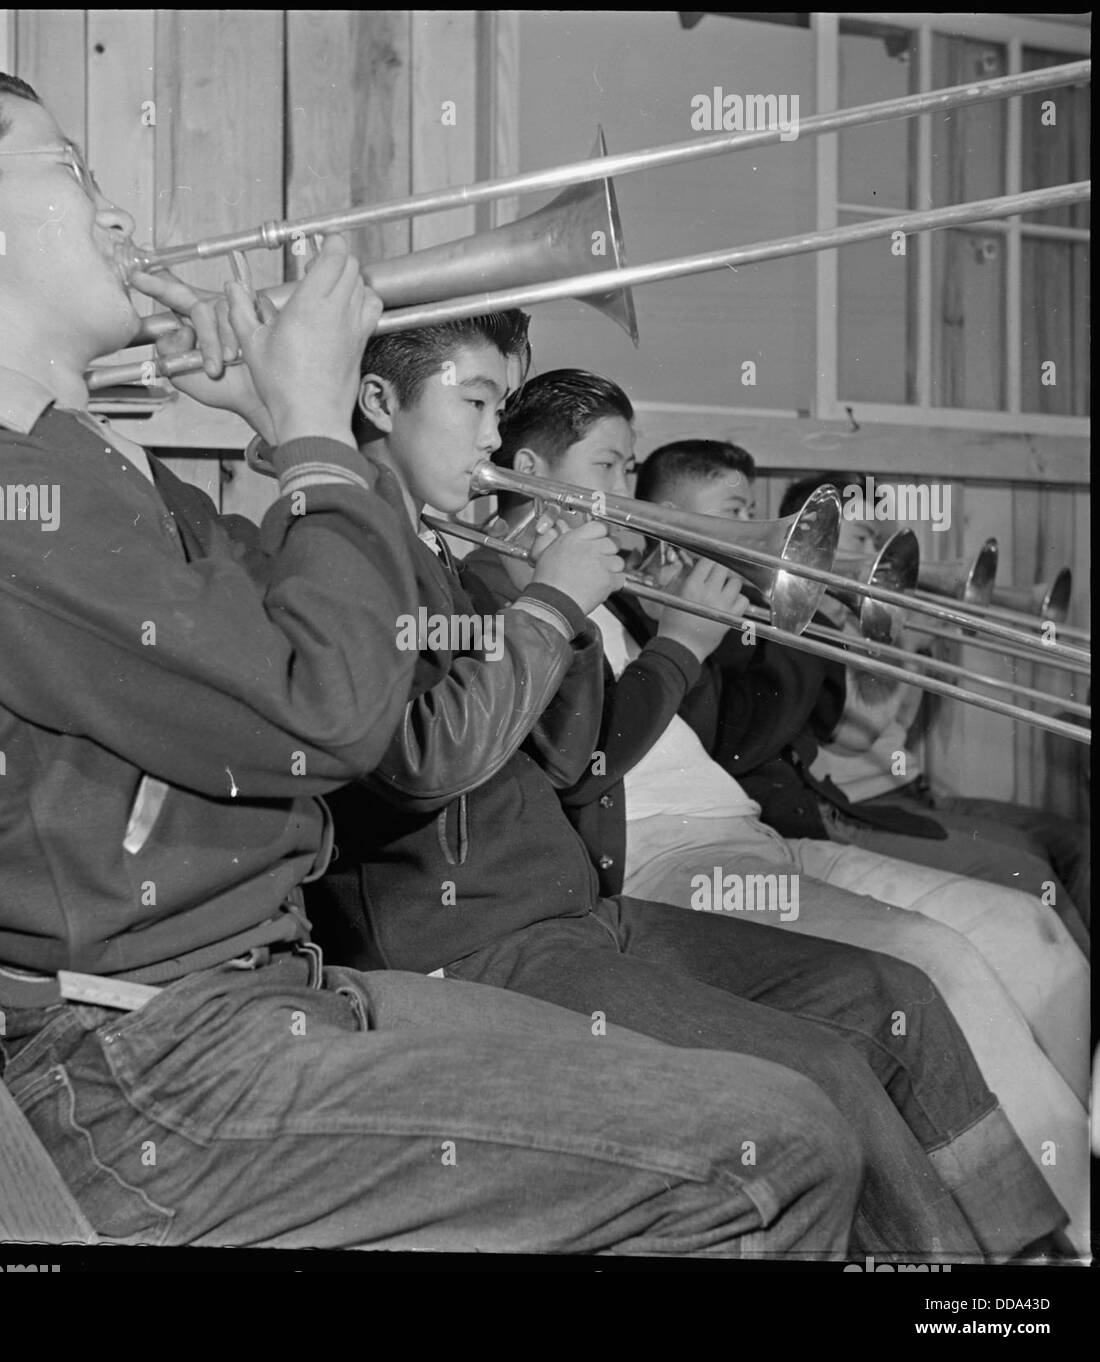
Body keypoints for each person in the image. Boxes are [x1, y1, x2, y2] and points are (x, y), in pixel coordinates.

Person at [0, 56, 869, 1256]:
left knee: (780, 1099)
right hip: (157, 1071)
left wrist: (284, 428)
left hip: (261, 999)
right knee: (770, 1148)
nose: (113, 211)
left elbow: (346, 646)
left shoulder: (82, 463)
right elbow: (335, 712)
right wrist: (314, 426)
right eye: (67, 168)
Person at [307, 339, 1068, 1258]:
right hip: (472, 938)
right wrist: (576, 612)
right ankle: (960, 1291)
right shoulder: (368, 556)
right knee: (821, 1066)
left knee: (888, 990)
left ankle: (1028, 1259)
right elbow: (444, 759)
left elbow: (560, 750)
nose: (494, 438)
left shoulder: (465, 560)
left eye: (502, 409)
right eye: (476, 405)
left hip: (582, 909)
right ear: (382, 404)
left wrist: (566, 608)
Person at [630, 442, 1089, 1104]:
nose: (857, 550)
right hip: (801, 820)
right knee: (1017, 878)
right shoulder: (691, 613)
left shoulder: (741, 613)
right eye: (737, 510)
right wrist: (811, 623)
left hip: (812, 816)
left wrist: (888, 634)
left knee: (1034, 878)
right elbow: (779, 735)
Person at [775, 470, 1089, 952]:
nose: (879, 555)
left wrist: (924, 647)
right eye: (864, 538)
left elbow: (897, 727)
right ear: (816, 539)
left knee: (1074, 842)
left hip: (907, 789)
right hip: (854, 808)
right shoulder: (808, 623)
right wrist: (903, 647)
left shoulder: (864, 616)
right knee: (1027, 862)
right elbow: (853, 734)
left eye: (878, 539)